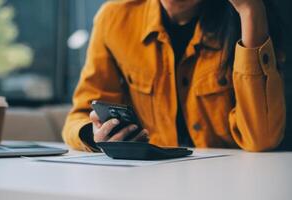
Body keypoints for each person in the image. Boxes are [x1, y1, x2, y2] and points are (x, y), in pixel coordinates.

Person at [62, 0, 286, 152]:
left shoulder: (253, 17)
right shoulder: (115, 18)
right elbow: (80, 115)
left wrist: (250, 9)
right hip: (152, 181)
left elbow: (261, 138)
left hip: (233, 181)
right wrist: (95, 135)